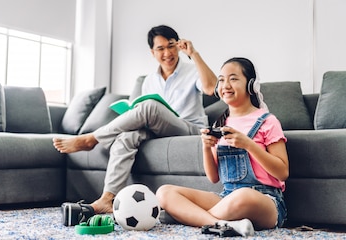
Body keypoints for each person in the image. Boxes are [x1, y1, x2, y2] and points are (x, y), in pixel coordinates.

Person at [53, 25, 217, 214]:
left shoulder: (192, 70)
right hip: (158, 130)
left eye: (171, 46)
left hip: (189, 129)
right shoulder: (149, 81)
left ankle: (92, 138)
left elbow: (212, 88)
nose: (167, 53)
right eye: (160, 49)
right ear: (152, 52)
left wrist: (194, 54)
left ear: (179, 46)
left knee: (149, 107)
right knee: (126, 137)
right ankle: (108, 198)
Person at [156, 57, 289, 234]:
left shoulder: (268, 121)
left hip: (266, 200)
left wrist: (248, 145)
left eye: (233, 78)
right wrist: (205, 146)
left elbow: (283, 172)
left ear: (250, 85)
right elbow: (213, 178)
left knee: (243, 195)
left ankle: (189, 217)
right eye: (221, 79)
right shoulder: (220, 124)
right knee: (164, 192)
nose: (225, 84)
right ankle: (221, 225)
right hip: (226, 197)